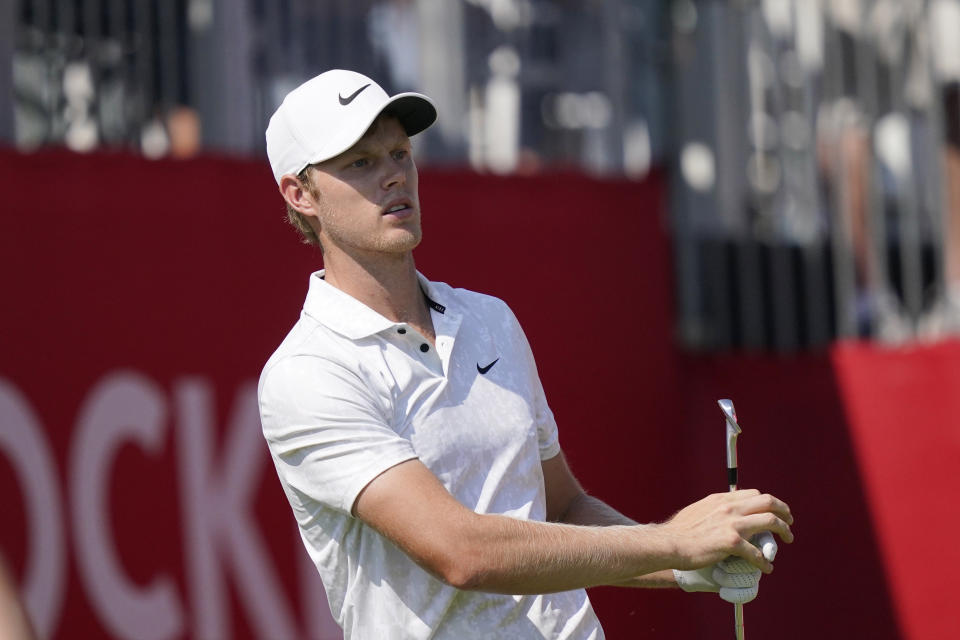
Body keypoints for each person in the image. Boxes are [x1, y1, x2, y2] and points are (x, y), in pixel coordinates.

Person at [258, 69, 794, 639]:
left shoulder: (490, 321)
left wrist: (685, 568)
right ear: (300, 194)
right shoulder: (308, 374)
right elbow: (460, 551)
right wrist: (673, 542)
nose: (394, 176)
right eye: (361, 163)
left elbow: (561, 510)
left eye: (399, 153)